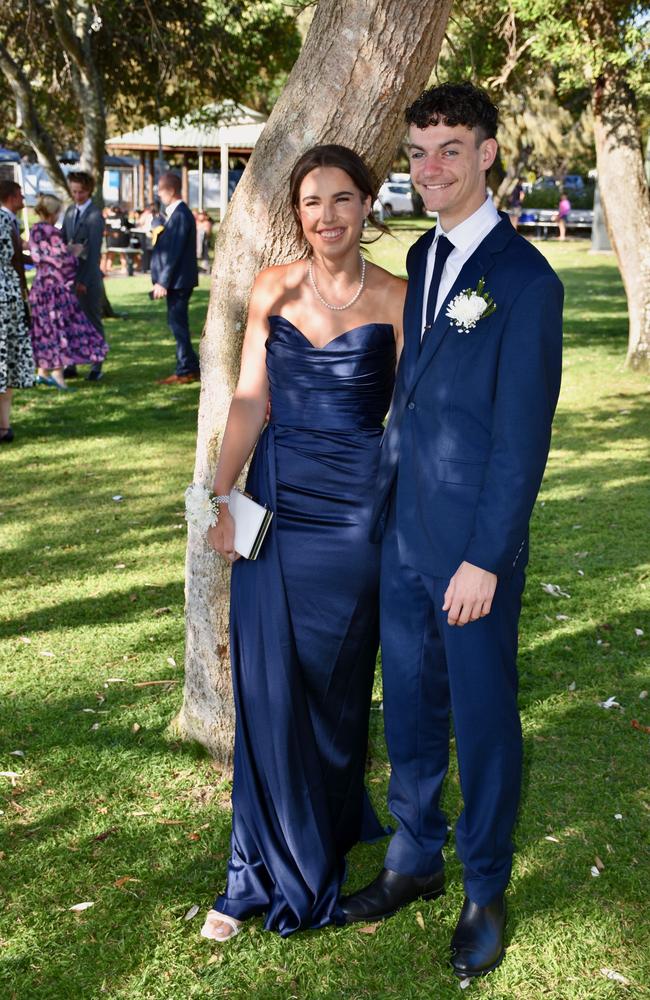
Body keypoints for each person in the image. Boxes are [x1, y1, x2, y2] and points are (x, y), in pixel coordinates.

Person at [340, 83, 563, 981]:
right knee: (414, 707)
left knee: (482, 717)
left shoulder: (525, 279)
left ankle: (484, 884)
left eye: (451, 150)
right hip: (404, 537)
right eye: (420, 152)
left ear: (489, 153)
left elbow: (521, 441)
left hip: (473, 549)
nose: (431, 169)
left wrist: (487, 558)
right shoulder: (427, 258)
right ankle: (413, 857)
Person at [200, 145, 405, 941]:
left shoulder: (396, 296)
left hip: (358, 512)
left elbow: (414, 416)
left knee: (337, 682)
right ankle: (254, 869)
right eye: (313, 202)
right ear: (299, 213)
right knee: (269, 685)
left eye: (343, 199)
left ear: (366, 205)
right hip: (278, 503)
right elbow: (251, 398)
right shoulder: (273, 287)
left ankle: (326, 823)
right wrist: (218, 494)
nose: (328, 216)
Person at [28, 194, 109, 390]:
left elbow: (40, 256)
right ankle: (58, 375)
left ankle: (43, 371)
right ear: (52, 213)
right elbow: (61, 262)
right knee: (58, 329)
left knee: (44, 329)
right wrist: (73, 254)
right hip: (54, 289)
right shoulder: (51, 232)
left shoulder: (35, 230)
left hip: (39, 287)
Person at [150, 172, 200, 385]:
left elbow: (175, 252)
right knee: (176, 323)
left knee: (178, 325)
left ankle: (185, 369)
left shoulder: (180, 215)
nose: (158, 195)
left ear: (169, 191)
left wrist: (163, 281)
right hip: (178, 280)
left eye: (160, 190)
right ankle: (191, 365)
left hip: (179, 281)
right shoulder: (175, 214)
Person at [61, 171, 106, 382]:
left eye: (81, 191)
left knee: (92, 320)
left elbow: (94, 251)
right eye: (74, 191)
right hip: (70, 276)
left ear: (89, 191)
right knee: (70, 320)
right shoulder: (70, 211)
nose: (77, 195)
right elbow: (63, 241)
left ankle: (97, 364)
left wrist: (84, 281)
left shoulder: (95, 216)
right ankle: (71, 363)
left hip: (87, 278)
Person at [0, 180, 34, 442]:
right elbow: (13, 258)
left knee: (7, 361)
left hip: (9, 297)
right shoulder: (4, 220)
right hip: (6, 298)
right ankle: (3, 425)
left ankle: (4, 424)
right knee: (6, 361)